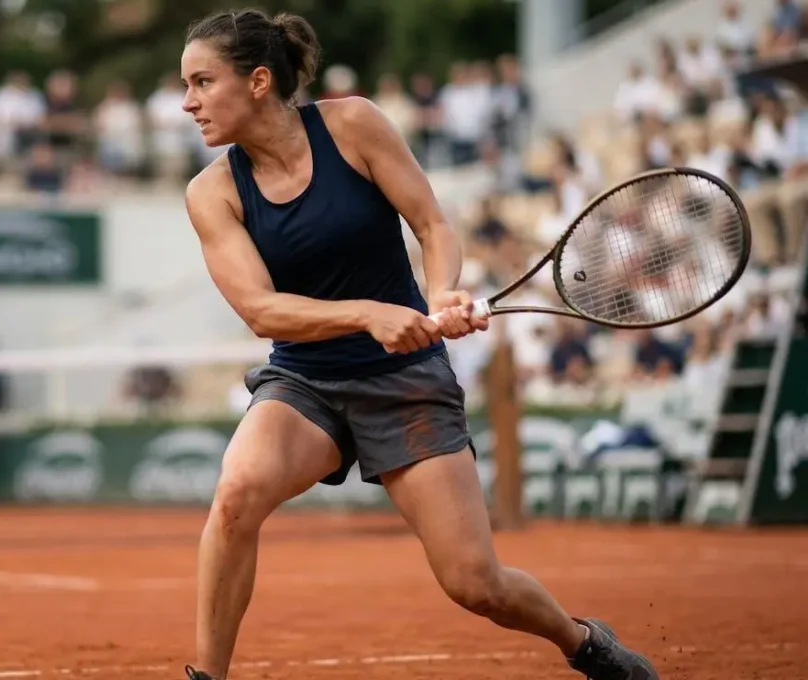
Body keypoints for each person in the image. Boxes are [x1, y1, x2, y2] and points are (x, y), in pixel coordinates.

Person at [177, 9, 658, 680]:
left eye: (202, 82)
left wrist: (439, 296)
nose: (188, 102)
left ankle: (582, 641)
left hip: (405, 379)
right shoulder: (212, 192)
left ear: (258, 81)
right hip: (305, 382)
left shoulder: (353, 126)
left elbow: (431, 223)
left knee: (476, 584)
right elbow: (261, 310)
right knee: (236, 494)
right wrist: (368, 314)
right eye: (186, 85)